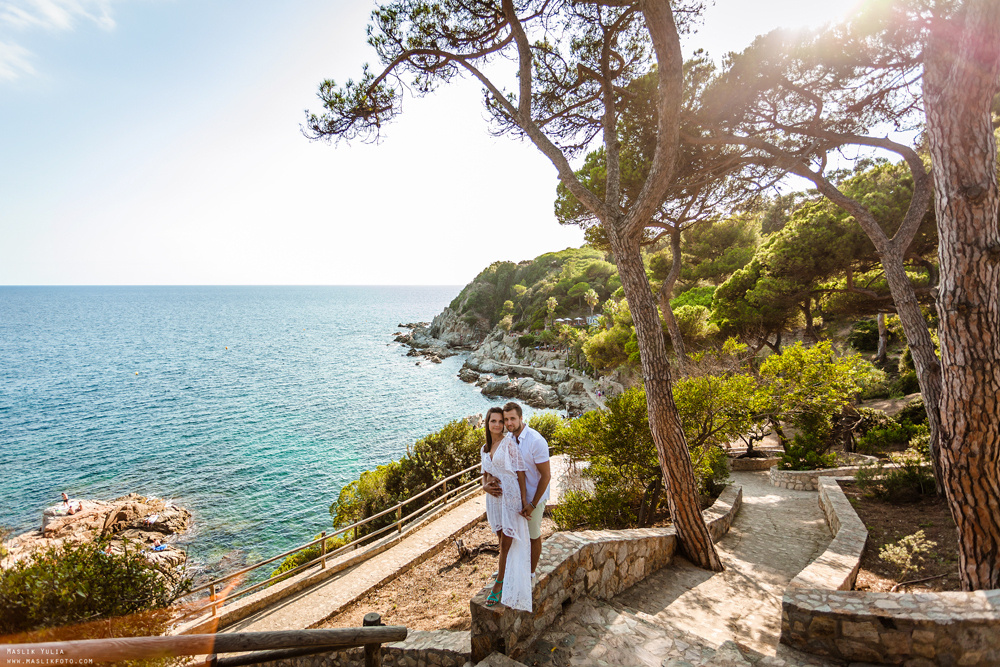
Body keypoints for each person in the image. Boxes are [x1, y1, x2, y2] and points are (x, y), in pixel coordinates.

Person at [480, 406, 533, 611]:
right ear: (487, 423)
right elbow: (485, 474)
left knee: (505, 544)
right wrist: (485, 486)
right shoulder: (484, 448)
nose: (498, 425)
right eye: (493, 421)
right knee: (501, 540)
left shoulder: (508, 443)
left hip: (510, 497)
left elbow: (520, 472)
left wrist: (523, 501)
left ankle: (499, 583)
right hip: (494, 500)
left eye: (501, 421)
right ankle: (506, 573)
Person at [490, 401, 551, 577]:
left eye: (513, 419)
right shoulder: (507, 439)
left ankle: (530, 573)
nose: (509, 423)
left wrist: (532, 504)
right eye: (506, 419)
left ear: (521, 418)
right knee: (511, 534)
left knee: (533, 535)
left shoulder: (535, 441)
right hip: (514, 497)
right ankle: (508, 568)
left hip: (534, 496)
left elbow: (546, 476)